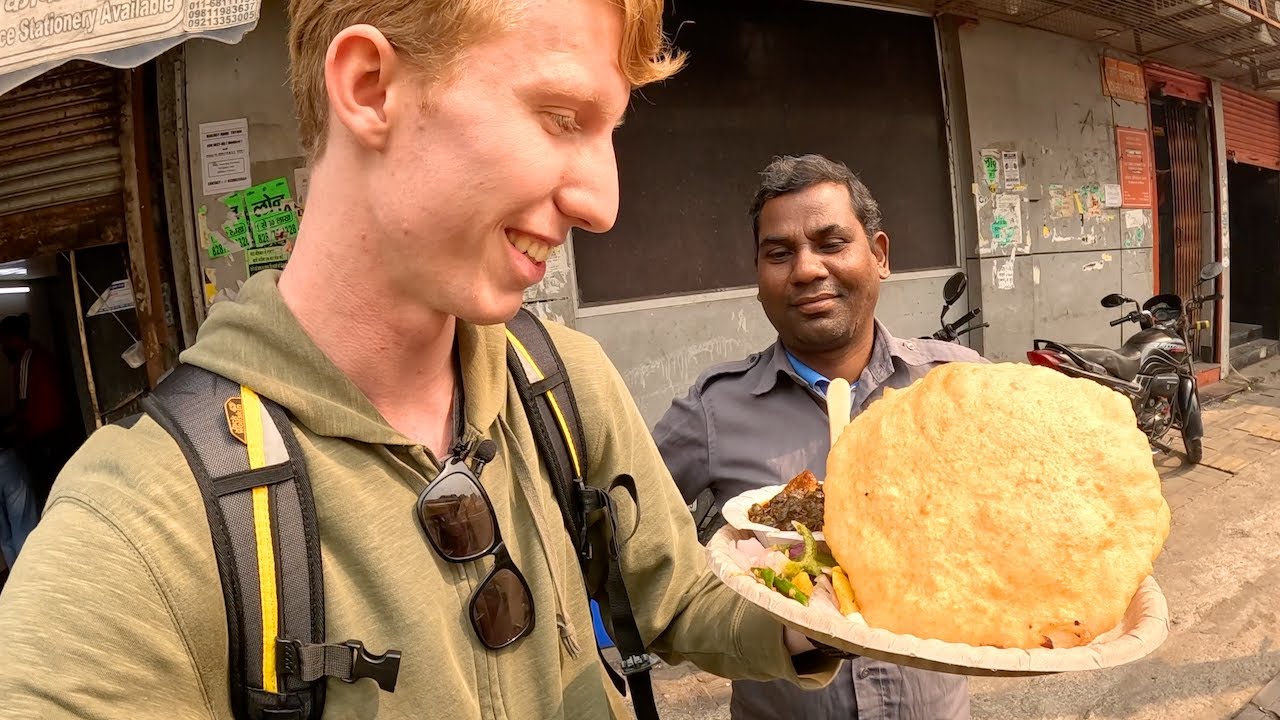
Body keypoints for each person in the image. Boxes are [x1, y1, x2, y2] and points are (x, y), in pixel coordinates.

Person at [0, 2, 842, 718]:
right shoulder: (136, 535)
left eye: (609, 132)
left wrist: (826, 607)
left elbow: (682, 600)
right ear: (370, 88)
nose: (604, 203)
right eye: (561, 117)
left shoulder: (560, 383)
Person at [654, 154, 982, 719]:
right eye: (779, 253)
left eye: (831, 243)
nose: (806, 269)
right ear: (758, 278)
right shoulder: (713, 410)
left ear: (879, 255)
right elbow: (639, 548)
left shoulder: (955, 385)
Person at [0, 313, 70, 506]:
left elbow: (24, 406)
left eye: (3, 343)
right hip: (55, 431)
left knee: (42, 489)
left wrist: (10, 431)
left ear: (12, 339)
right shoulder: (41, 354)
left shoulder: (26, 359)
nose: (3, 349)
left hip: (43, 434)